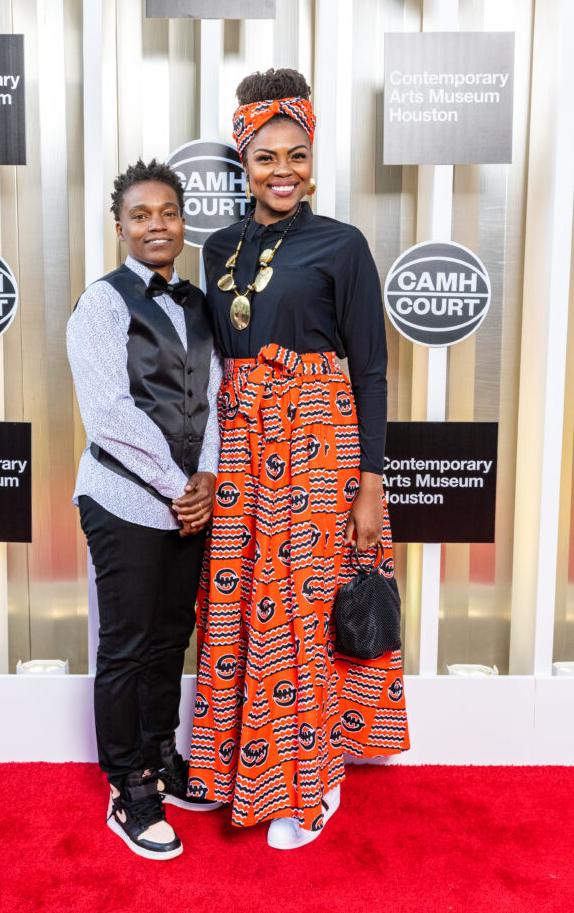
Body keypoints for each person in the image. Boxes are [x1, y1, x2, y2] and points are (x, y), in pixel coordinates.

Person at [189, 69, 410, 850]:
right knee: (242, 600)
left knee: (298, 611)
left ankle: (312, 783)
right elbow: (217, 358)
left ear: (312, 159)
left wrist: (370, 484)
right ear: (242, 164)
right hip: (244, 443)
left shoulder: (341, 245)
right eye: (264, 157)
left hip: (319, 442)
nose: (282, 170)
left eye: (297, 154)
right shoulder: (219, 246)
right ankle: (232, 769)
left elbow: (371, 370)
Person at [67, 158, 222, 861]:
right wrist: (174, 483)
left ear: (182, 220)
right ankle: (128, 785)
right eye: (140, 215)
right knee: (127, 648)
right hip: (126, 498)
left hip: (190, 501)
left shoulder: (197, 303)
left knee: (169, 639)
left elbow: (215, 396)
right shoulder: (101, 302)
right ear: (121, 226)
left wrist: (209, 477)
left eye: (167, 212)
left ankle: (160, 755)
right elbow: (108, 413)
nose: (156, 225)